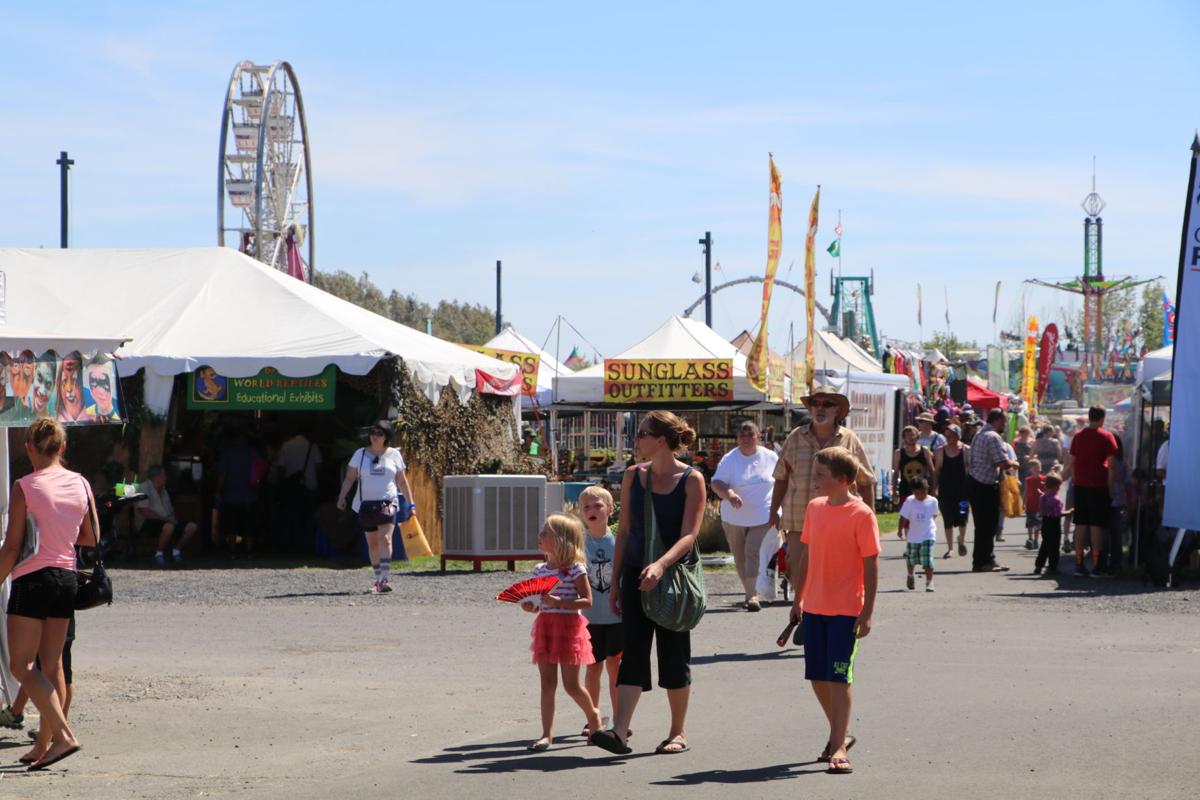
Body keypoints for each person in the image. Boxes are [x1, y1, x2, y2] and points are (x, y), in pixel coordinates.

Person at [590, 411, 704, 757]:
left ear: (662, 440)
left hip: (672, 581)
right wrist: (616, 581)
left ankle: (678, 731)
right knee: (633, 652)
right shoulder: (632, 476)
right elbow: (623, 531)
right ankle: (619, 733)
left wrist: (661, 564)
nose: (636, 440)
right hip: (635, 576)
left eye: (642, 434)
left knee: (674, 654)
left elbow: (690, 535)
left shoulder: (691, 479)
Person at [0, 418, 91, 769]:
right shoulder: (80, 483)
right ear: (63, 448)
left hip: (33, 578)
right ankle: (49, 743)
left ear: (29, 448)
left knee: (21, 666)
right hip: (66, 577)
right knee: (52, 665)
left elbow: (12, 547)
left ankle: (63, 735)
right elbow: (90, 537)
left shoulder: (26, 486)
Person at [789, 446, 880, 775]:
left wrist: (867, 611)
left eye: (820, 475)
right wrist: (797, 600)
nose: (814, 480)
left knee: (839, 677)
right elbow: (806, 557)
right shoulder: (815, 508)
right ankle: (839, 732)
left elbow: (871, 566)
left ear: (842, 480)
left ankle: (839, 746)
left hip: (845, 611)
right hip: (814, 608)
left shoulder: (862, 515)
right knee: (817, 676)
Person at [770, 387, 875, 596]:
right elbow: (781, 476)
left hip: (840, 522)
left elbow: (866, 480)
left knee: (835, 574)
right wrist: (773, 510)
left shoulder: (849, 439)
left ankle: (829, 615)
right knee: (799, 574)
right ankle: (805, 617)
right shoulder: (795, 437)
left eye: (827, 404)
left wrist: (870, 515)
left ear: (837, 410)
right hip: (800, 520)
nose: (820, 408)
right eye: (815, 403)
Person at [521, 514, 602, 751]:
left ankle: (593, 715)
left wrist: (560, 603)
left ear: (561, 540)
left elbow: (587, 601)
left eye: (545, 534)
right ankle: (547, 734)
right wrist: (530, 606)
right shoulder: (539, 570)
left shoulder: (576, 569)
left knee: (571, 685)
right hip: (545, 625)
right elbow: (538, 601)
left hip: (569, 628)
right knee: (547, 683)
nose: (540, 537)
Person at [337, 422, 415, 594]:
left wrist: (411, 503)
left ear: (386, 436)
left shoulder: (394, 454)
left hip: (388, 502)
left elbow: (402, 481)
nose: (375, 436)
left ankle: (385, 578)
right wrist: (342, 496)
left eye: (379, 433)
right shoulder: (360, 454)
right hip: (366, 504)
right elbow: (350, 478)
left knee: (386, 538)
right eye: (373, 432)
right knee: (372, 543)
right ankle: (378, 577)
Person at [711, 421, 778, 611]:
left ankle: (751, 597)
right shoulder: (730, 459)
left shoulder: (770, 457)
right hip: (734, 517)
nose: (746, 439)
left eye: (751, 435)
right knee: (740, 558)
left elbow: (781, 482)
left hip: (763, 513)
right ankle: (751, 591)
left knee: (752, 552)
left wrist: (779, 509)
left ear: (759, 436)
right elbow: (716, 482)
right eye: (742, 435)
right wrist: (730, 494)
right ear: (737, 438)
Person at [578, 486, 622, 736]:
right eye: (587, 507)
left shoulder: (619, 540)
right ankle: (593, 716)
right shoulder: (579, 542)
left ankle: (619, 717)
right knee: (593, 668)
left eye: (597, 506)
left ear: (610, 509)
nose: (592, 511)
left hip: (616, 615)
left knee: (615, 665)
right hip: (588, 618)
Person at [1066, 406, 1118, 577]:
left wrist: (1075, 479)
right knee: (1096, 525)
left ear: (1089, 418)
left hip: (1080, 485)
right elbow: (1111, 466)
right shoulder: (1107, 436)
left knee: (1080, 524)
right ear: (1102, 419)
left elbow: (1071, 461)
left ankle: (1079, 563)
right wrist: (1110, 487)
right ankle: (1097, 565)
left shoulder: (1078, 436)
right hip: (1098, 485)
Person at [966, 409, 1020, 572]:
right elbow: (1001, 462)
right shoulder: (993, 437)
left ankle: (986, 559)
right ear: (996, 420)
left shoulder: (979, 434)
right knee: (988, 525)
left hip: (975, 481)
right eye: (1003, 421)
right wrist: (1015, 463)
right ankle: (983, 561)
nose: (1004, 425)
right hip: (985, 485)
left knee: (983, 525)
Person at [136, 465, 199, 567]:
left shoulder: (163, 490)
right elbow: (145, 512)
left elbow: (170, 511)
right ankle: (159, 554)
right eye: (164, 475)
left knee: (192, 527)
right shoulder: (144, 487)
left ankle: (176, 551)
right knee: (169, 527)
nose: (166, 478)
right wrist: (166, 520)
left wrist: (172, 520)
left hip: (166, 521)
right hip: (148, 522)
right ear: (157, 477)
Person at [215, 429, 260, 557]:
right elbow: (258, 473)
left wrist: (218, 491)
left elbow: (222, 475)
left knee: (231, 524)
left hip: (231, 494)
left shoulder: (227, 453)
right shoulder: (253, 452)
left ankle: (232, 551)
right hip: (249, 494)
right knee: (249, 525)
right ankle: (248, 550)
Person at [933, 424, 970, 558]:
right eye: (947, 435)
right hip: (945, 492)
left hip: (962, 492)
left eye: (952, 435)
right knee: (947, 519)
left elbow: (970, 470)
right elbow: (936, 472)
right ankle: (950, 548)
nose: (949, 438)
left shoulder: (966, 450)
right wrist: (934, 489)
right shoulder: (940, 451)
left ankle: (961, 540)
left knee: (962, 518)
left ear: (958, 435)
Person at [898, 477, 938, 592]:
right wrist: (900, 530)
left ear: (927, 489)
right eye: (917, 493)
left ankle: (929, 582)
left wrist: (929, 527)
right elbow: (904, 517)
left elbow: (934, 515)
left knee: (928, 558)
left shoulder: (933, 501)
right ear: (913, 492)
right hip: (913, 536)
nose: (920, 495)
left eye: (923, 492)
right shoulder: (910, 501)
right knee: (911, 559)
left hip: (928, 535)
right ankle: (910, 575)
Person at [1103, 438, 1133, 574]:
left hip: (1107, 498)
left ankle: (1103, 561)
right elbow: (1128, 482)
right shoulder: (1123, 462)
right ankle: (1116, 563)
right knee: (1116, 534)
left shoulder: (1106, 462)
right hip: (1120, 499)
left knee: (1105, 532)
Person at [1034, 473, 1069, 576]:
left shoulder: (1043, 496)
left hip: (1045, 522)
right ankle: (1052, 567)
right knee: (1054, 546)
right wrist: (1069, 511)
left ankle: (1038, 565)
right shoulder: (1055, 499)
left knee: (1045, 545)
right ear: (1056, 486)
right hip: (1054, 524)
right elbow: (1058, 514)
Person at [892, 425, 935, 507]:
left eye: (913, 435)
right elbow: (896, 473)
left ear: (917, 436)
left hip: (923, 490)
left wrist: (934, 489)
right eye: (908, 435)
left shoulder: (925, 451)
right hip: (905, 490)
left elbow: (932, 471)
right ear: (904, 438)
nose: (911, 437)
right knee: (905, 518)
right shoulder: (899, 453)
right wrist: (894, 491)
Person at [83, 359, 121, 423]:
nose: (100, 391)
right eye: (94, 384)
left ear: (112, 384)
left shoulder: (119, 416)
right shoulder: (86, 415)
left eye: (104, 382)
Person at [1023, 456, 1047, 551]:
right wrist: (1024, 502)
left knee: (1038, 524)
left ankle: (1036, 540)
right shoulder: (1028, 480)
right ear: (1030, 469)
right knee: (1029, 523)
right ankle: (1030, 539)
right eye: (1035, 468)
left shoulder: (1043, 479)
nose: (1037, 469)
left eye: (1038, 467)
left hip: (1039, 506)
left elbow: (1046, 491)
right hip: (1030, 505)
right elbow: (1025, 492)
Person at [55, 352, 87, 423]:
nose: (69, 389)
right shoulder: (54, 419)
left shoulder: (95, 416)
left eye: (74, 380)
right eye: (64, 380)